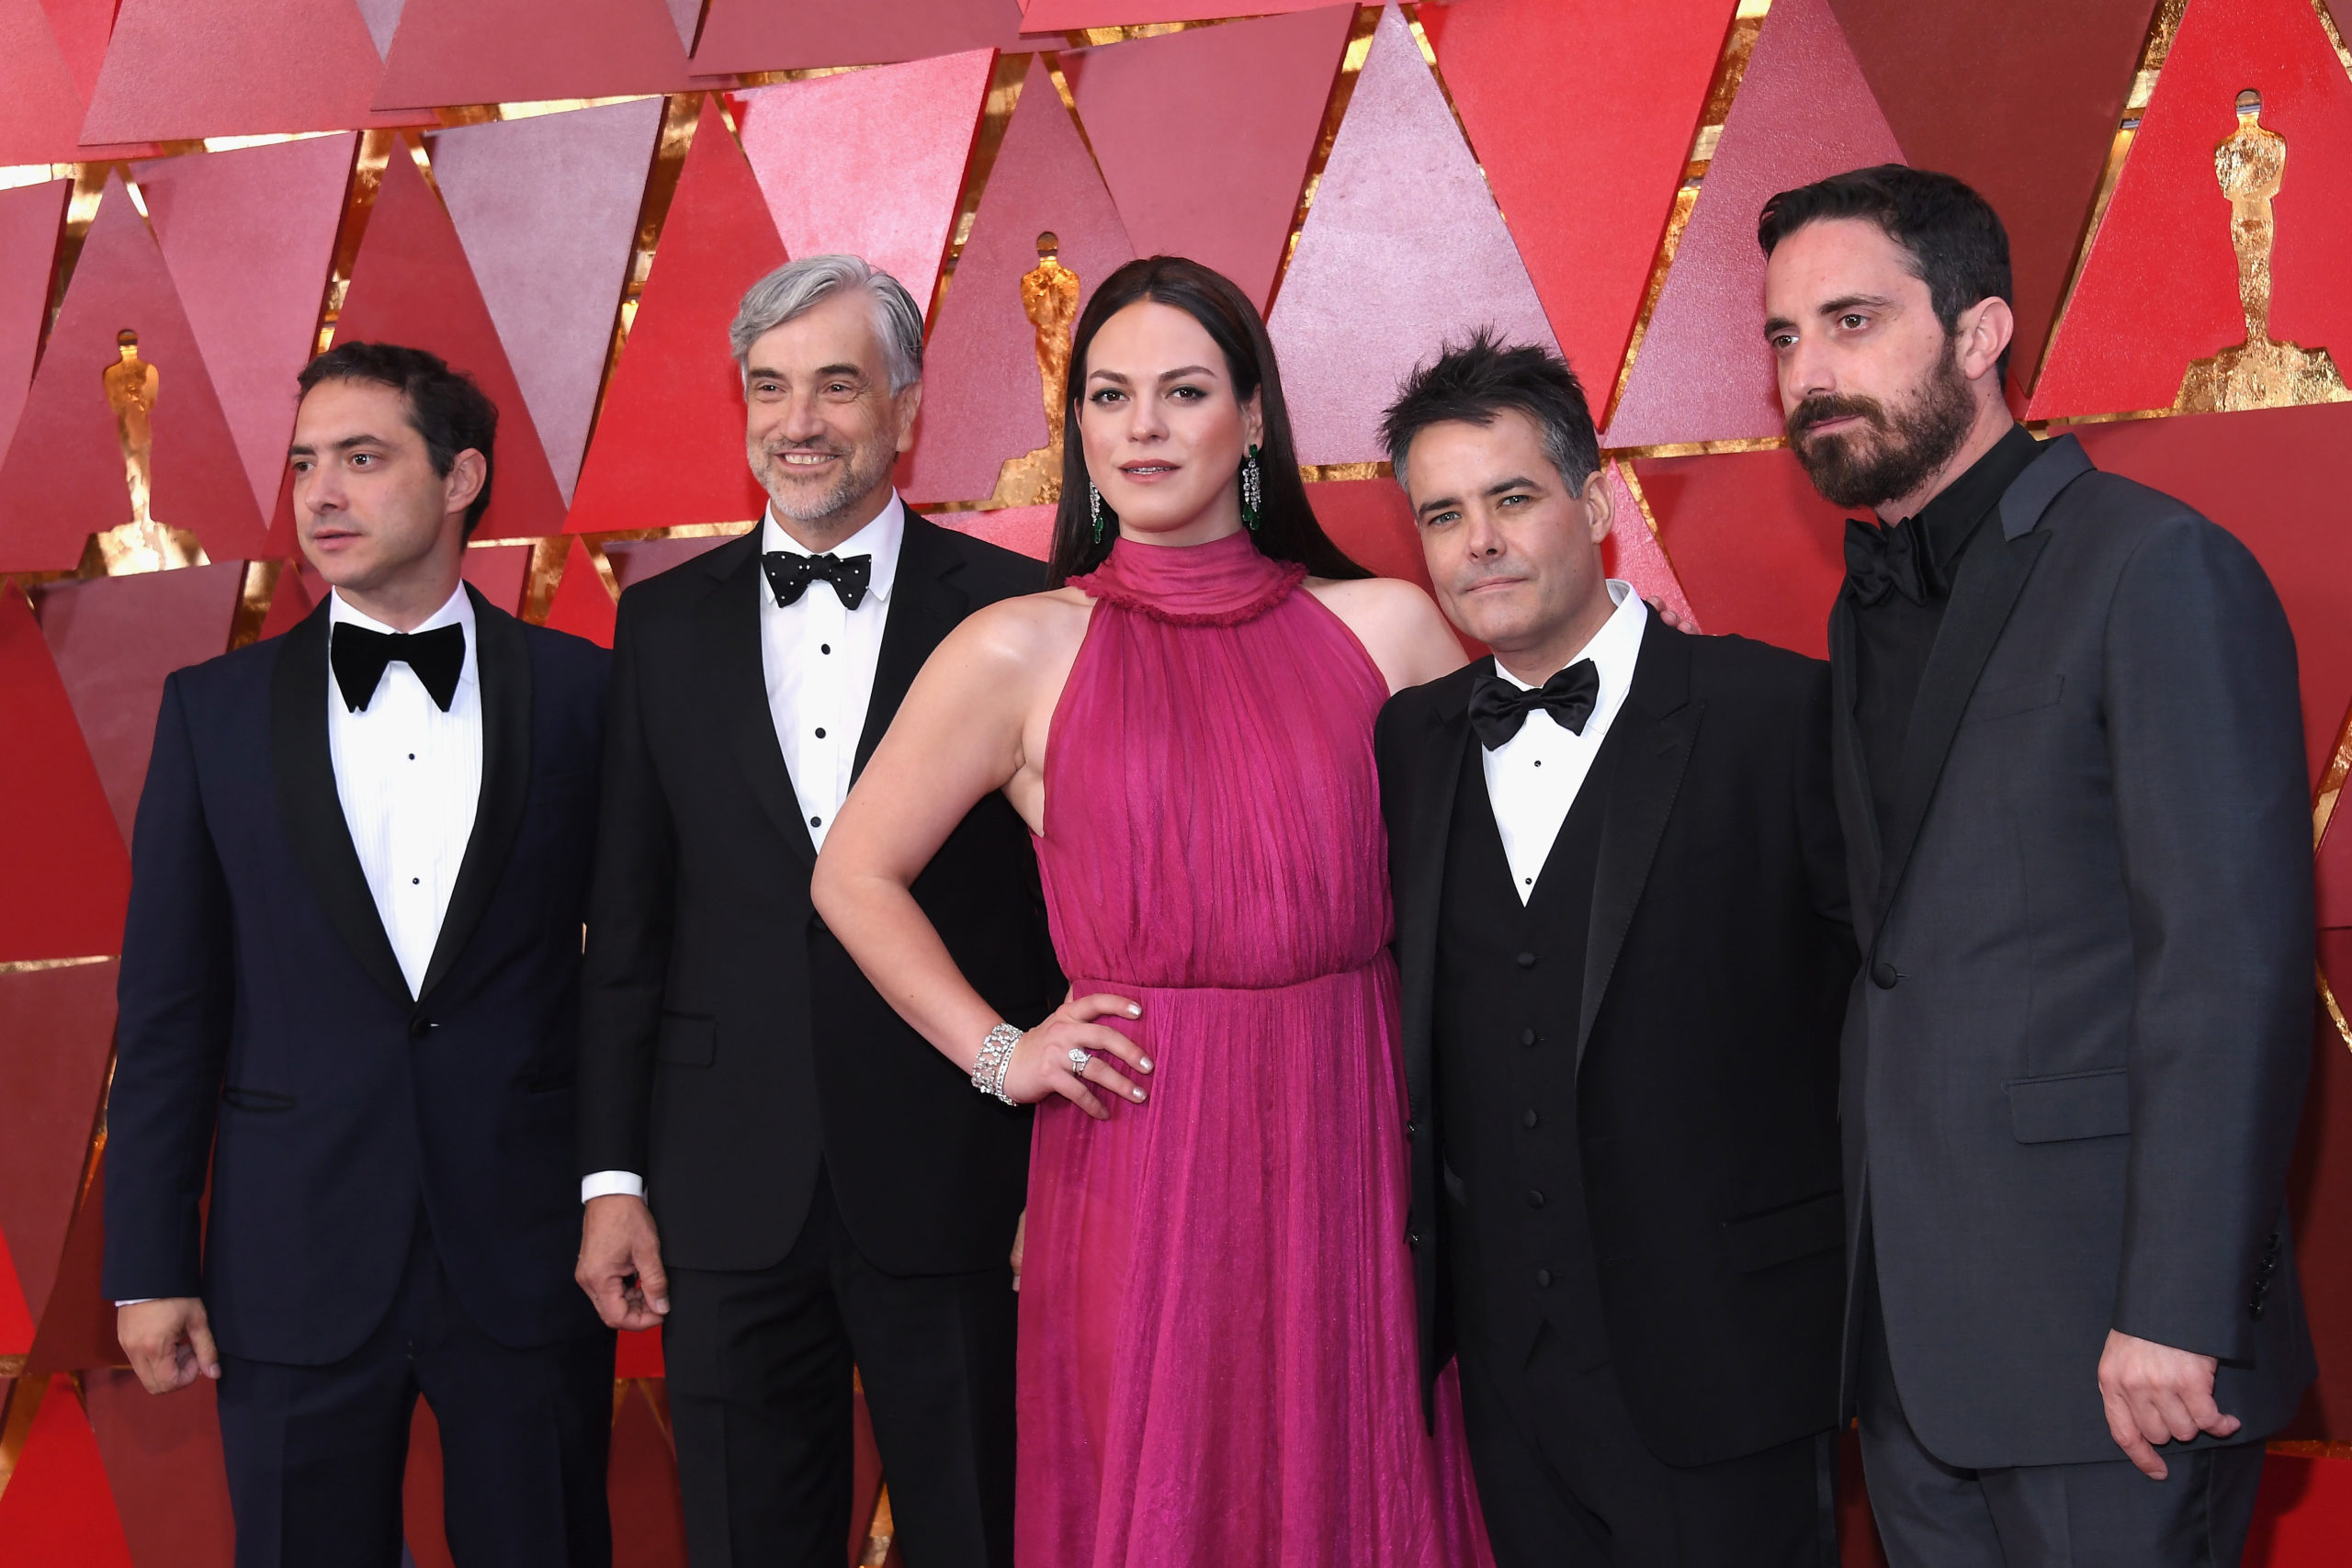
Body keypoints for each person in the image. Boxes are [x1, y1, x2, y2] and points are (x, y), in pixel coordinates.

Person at [810, 255, 1490, 1566]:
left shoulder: (1391, 629)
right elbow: (853, 873)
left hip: (1354, 1130)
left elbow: (1489, 905)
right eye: (1110, 396)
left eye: (1184, 392)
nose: (1144, 428)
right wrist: (1002, 1055)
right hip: (1142, 1145)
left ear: (1253, 416)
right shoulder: (1019, 648)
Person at [1759, 164, 2314, 1565]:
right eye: (1784, 337)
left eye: (1851, 322)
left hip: (2118, 1354)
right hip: (1914, 1357)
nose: (1809, 374)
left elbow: (2229, 966)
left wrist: (2179, 1307)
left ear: (1981, 331)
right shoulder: (1864, 606)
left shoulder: (2156, 567)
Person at [572, 254, 1063, 1568]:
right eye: (770, 387)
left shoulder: (1018, 612)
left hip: (959, 1170)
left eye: (837, 386)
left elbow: (1068, 908)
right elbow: (626, 933)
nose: (798, 421)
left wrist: (1059, 1168)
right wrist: (613, 1180)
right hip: (723, 1184)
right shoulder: (660, 625)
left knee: (982, 1530)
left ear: (906, 411)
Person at [104, 342, 616, 1567]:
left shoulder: (587, 695)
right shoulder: (211, 712)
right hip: (291, 1255)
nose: (322, 494)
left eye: (363, 459)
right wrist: (148, 1266)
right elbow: (169, 1008)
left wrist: (624, 1189)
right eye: (304, 465)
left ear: (461, 478)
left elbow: (633, 976)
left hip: (529, 1249)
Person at [1373, 333, 1853, 1566]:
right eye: (1443, 515)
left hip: (1732, 1359)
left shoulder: (1776, 715)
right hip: (1506, 1377)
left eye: (1512, 498)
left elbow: (1886, 1025)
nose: (1479, 543)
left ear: (1594, 506)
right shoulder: (1410, 743)